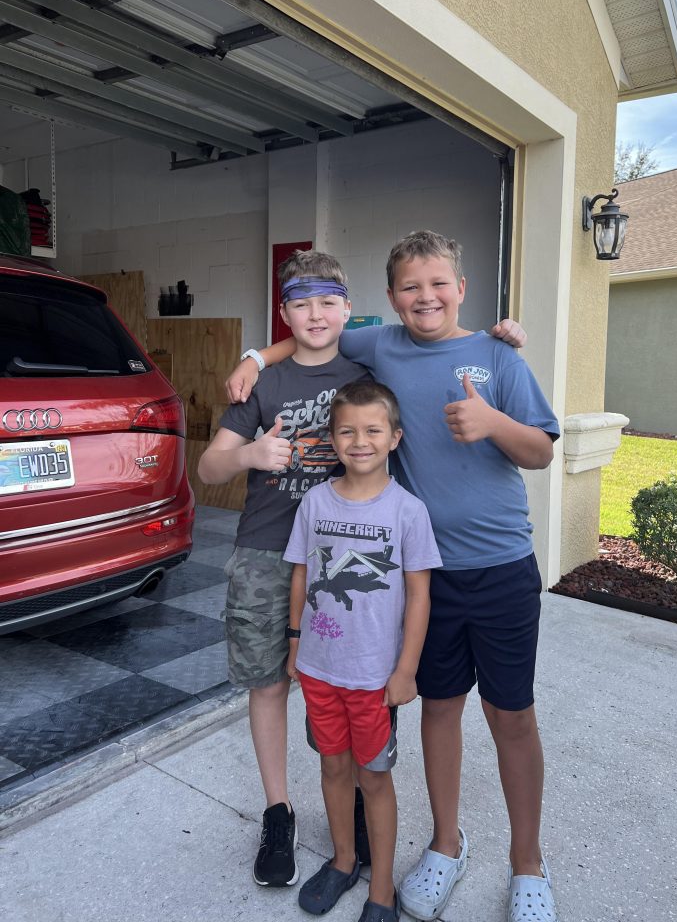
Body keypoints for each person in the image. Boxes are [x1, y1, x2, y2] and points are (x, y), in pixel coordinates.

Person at [225, 229, 559, 922]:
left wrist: (493, 420)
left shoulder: (498, 356)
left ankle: (528, 862)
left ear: (462, 288)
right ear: (390, 298)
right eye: (411, 287)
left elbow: (540, 451)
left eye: (438, 284)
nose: (425, 297)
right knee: (440, 708)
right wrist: (256, 356)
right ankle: (445, 844)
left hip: (499, 566)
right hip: (422, 577)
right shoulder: (381, 344)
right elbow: (313, 335)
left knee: (511, 714)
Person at [198, 249, 371, 889]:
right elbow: (207, 468)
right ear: (284, 312)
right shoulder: (262, 384)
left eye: (327, 302)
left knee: (353, 684)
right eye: (301, 304)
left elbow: (433, 341)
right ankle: (279, 811)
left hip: (347, 553)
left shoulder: (367, 370)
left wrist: (501, 338)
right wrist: (249, 454)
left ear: (347, 308)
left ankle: (355, 798)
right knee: (268, 683)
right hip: (266, 551)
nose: (315, 314)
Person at [284, 380, 441, 922]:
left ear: (394, 437)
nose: (360, 441)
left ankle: (381, 890)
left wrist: (406, 670)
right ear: (332, 439)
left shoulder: (408, 512)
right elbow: (302, 575)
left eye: (373, 430)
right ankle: (344, 861)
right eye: (347, 431)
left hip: (374, 678)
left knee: (373, 778)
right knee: (333, 768)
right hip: (319, 670)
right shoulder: (314, 502)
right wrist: (295, 642)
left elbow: (419, 595)